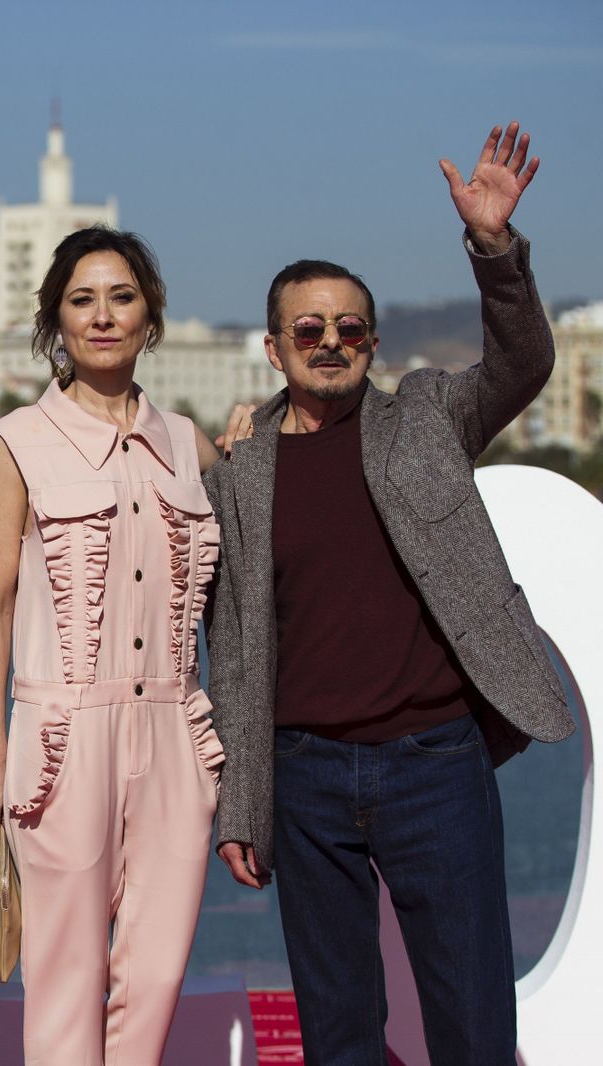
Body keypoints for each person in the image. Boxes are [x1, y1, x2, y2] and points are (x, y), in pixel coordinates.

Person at [204, 123, 575, 1065]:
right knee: (338, 1034)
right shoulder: (238, 474)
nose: (331, 343)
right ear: (274, 348)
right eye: (309, 330)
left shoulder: (426, 417)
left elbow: (525, 362)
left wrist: (493, 246)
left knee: (472, 1021)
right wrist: (243, 803)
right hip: (305, 778)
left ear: (373, 340)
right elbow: (238, 650)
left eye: (350, 328)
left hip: (435, 766)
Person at [0, 227, 226, 1064]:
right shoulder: (17, 443)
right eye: (83, 300)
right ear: (56, 322)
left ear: (150, 315)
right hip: (63, 739)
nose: (104, 316)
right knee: (64, 985)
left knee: (153, 986)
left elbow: (244, 589)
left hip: (176, 735)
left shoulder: (192, 445)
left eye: (122, 297)